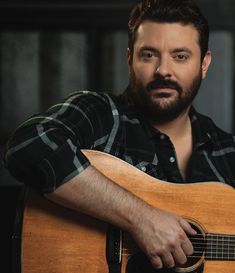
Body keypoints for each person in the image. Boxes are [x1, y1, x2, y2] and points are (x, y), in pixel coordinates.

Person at [4, 0, 235, 271]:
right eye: (148, 54)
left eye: (180, 56)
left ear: (204, 64)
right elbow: (29, 144)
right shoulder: (100, 114)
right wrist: (141, 218)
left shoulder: (228, 153)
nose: (163, 70)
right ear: (129, 59)